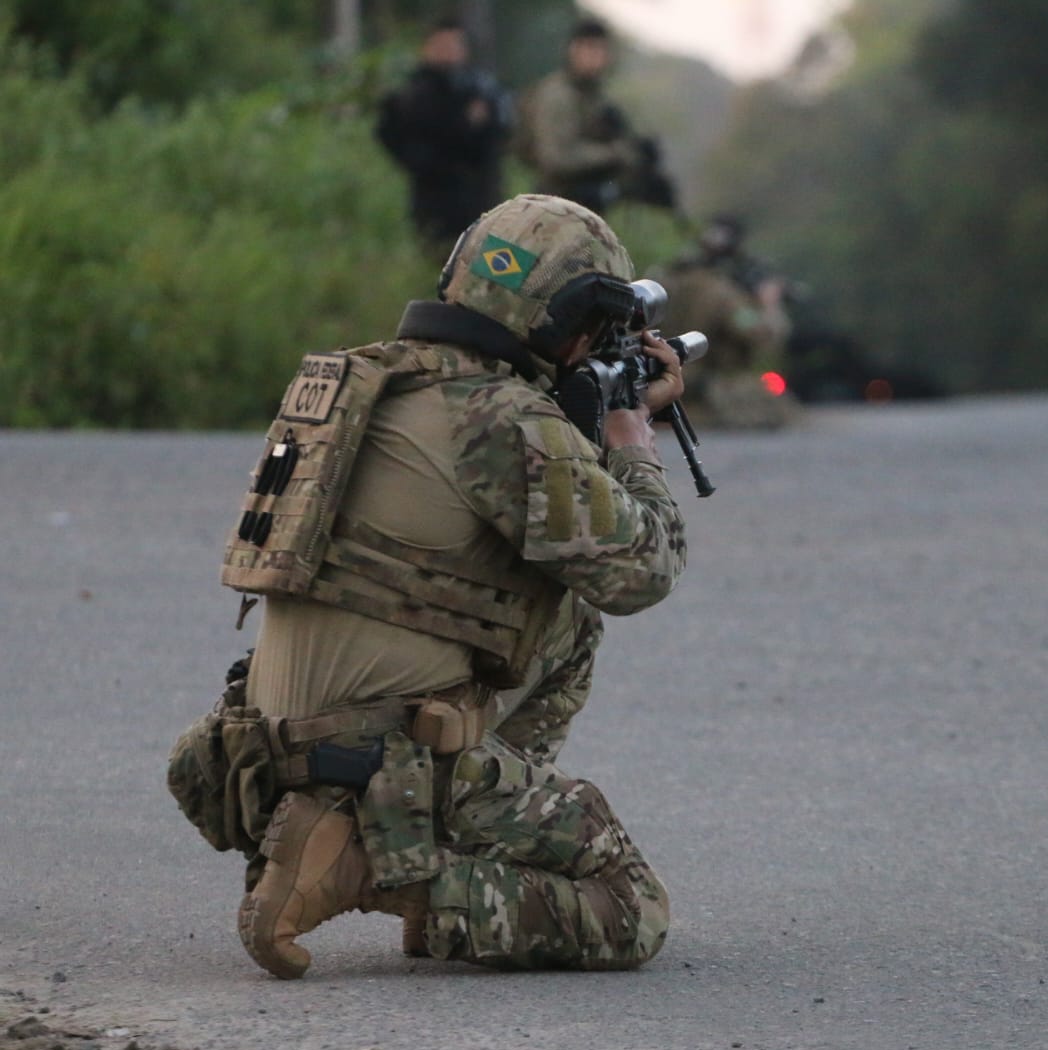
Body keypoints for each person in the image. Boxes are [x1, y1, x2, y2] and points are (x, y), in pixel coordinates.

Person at [168, 195, 687, 979]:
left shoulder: (366, 381)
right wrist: (630, 440)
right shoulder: (503, 419)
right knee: (629, 908)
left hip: (259, 754)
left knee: (565, 619)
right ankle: (393, 872)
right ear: (572, 325)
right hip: (370, 757)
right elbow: (640, 569)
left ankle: (366, 834)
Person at [377, 18, 512, 258]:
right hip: (436, 202)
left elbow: (499, 135)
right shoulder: (412, 94)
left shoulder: (481, 87)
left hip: (483, 200)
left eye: (454, 45)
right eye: (441, 45)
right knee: (445, 274)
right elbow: (392, 135)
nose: (448, 52)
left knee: (501, 273)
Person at [659, 215, 799, 429]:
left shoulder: (666, 281)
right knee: (780, 408)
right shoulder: (722, 293)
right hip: (708, 392)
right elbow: (761, 336)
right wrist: (770, 305)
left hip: (664, 383)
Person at [515, 18, 648, 215]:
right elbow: (557, 158)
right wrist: (614, 153)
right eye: (590, 49)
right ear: (574, 50)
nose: (597, 57)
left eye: (602, 50)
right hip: (554, 206)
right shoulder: (558, 95)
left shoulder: (595, 97)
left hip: (582, 206)